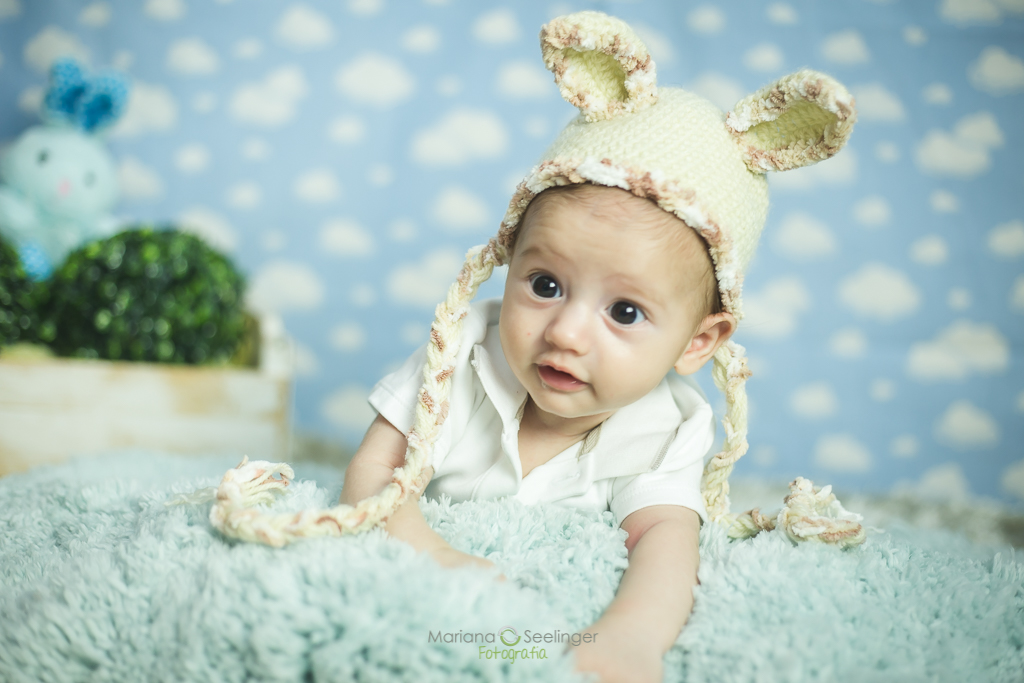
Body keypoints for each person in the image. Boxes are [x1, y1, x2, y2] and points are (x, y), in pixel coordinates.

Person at [335, 10, 858, 683]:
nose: (566, 332)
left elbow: (665, 540)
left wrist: (630, 638)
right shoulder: (458, 356)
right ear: (509, 259)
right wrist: (435, 554)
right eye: (546, 283)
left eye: (625, 310)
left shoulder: (667, 425)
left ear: (698, 341)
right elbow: (375, 474)